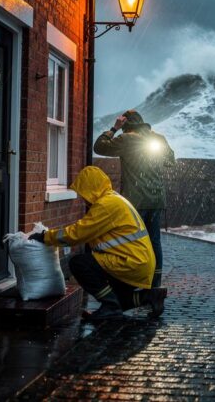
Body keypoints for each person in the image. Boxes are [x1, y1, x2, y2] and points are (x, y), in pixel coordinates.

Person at [29, 166, 166, 320]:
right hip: (137, 263)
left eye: (84, 194)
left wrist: (46, 237)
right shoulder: (114, 198)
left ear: (91, 189)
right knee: (117, 298)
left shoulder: (105, 205)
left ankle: (111, 307)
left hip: (129, 263)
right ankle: (149, 297)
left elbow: (77, 234)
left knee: (79, 264)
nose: (84, 199)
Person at [93, 110, 175, 288]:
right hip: (157, 200)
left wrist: (114, 128)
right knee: (154, 241)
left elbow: (99, 146)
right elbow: (170, 161)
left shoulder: (127, 139)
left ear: (127, 125)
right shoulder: (157, 139)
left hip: (136, 201)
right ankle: (155, 285)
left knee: (133, 242)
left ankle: (133, 283)